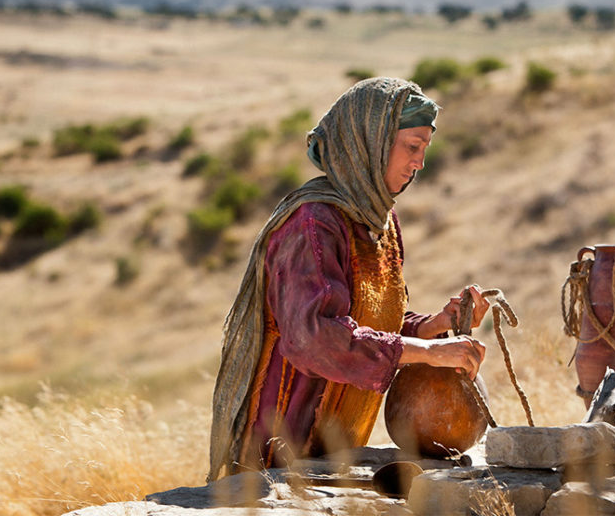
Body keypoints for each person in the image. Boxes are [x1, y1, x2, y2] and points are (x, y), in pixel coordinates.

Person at [208, 77, 489, 481]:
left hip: (334, 446)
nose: (419, 163)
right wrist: (428, 353)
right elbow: (317, 338)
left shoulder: (380, 220)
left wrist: (435, 327)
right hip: (280, 447)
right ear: (370, 142)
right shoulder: (312, 223)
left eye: (425, 149)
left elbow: (368, 322)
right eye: (412, 146)